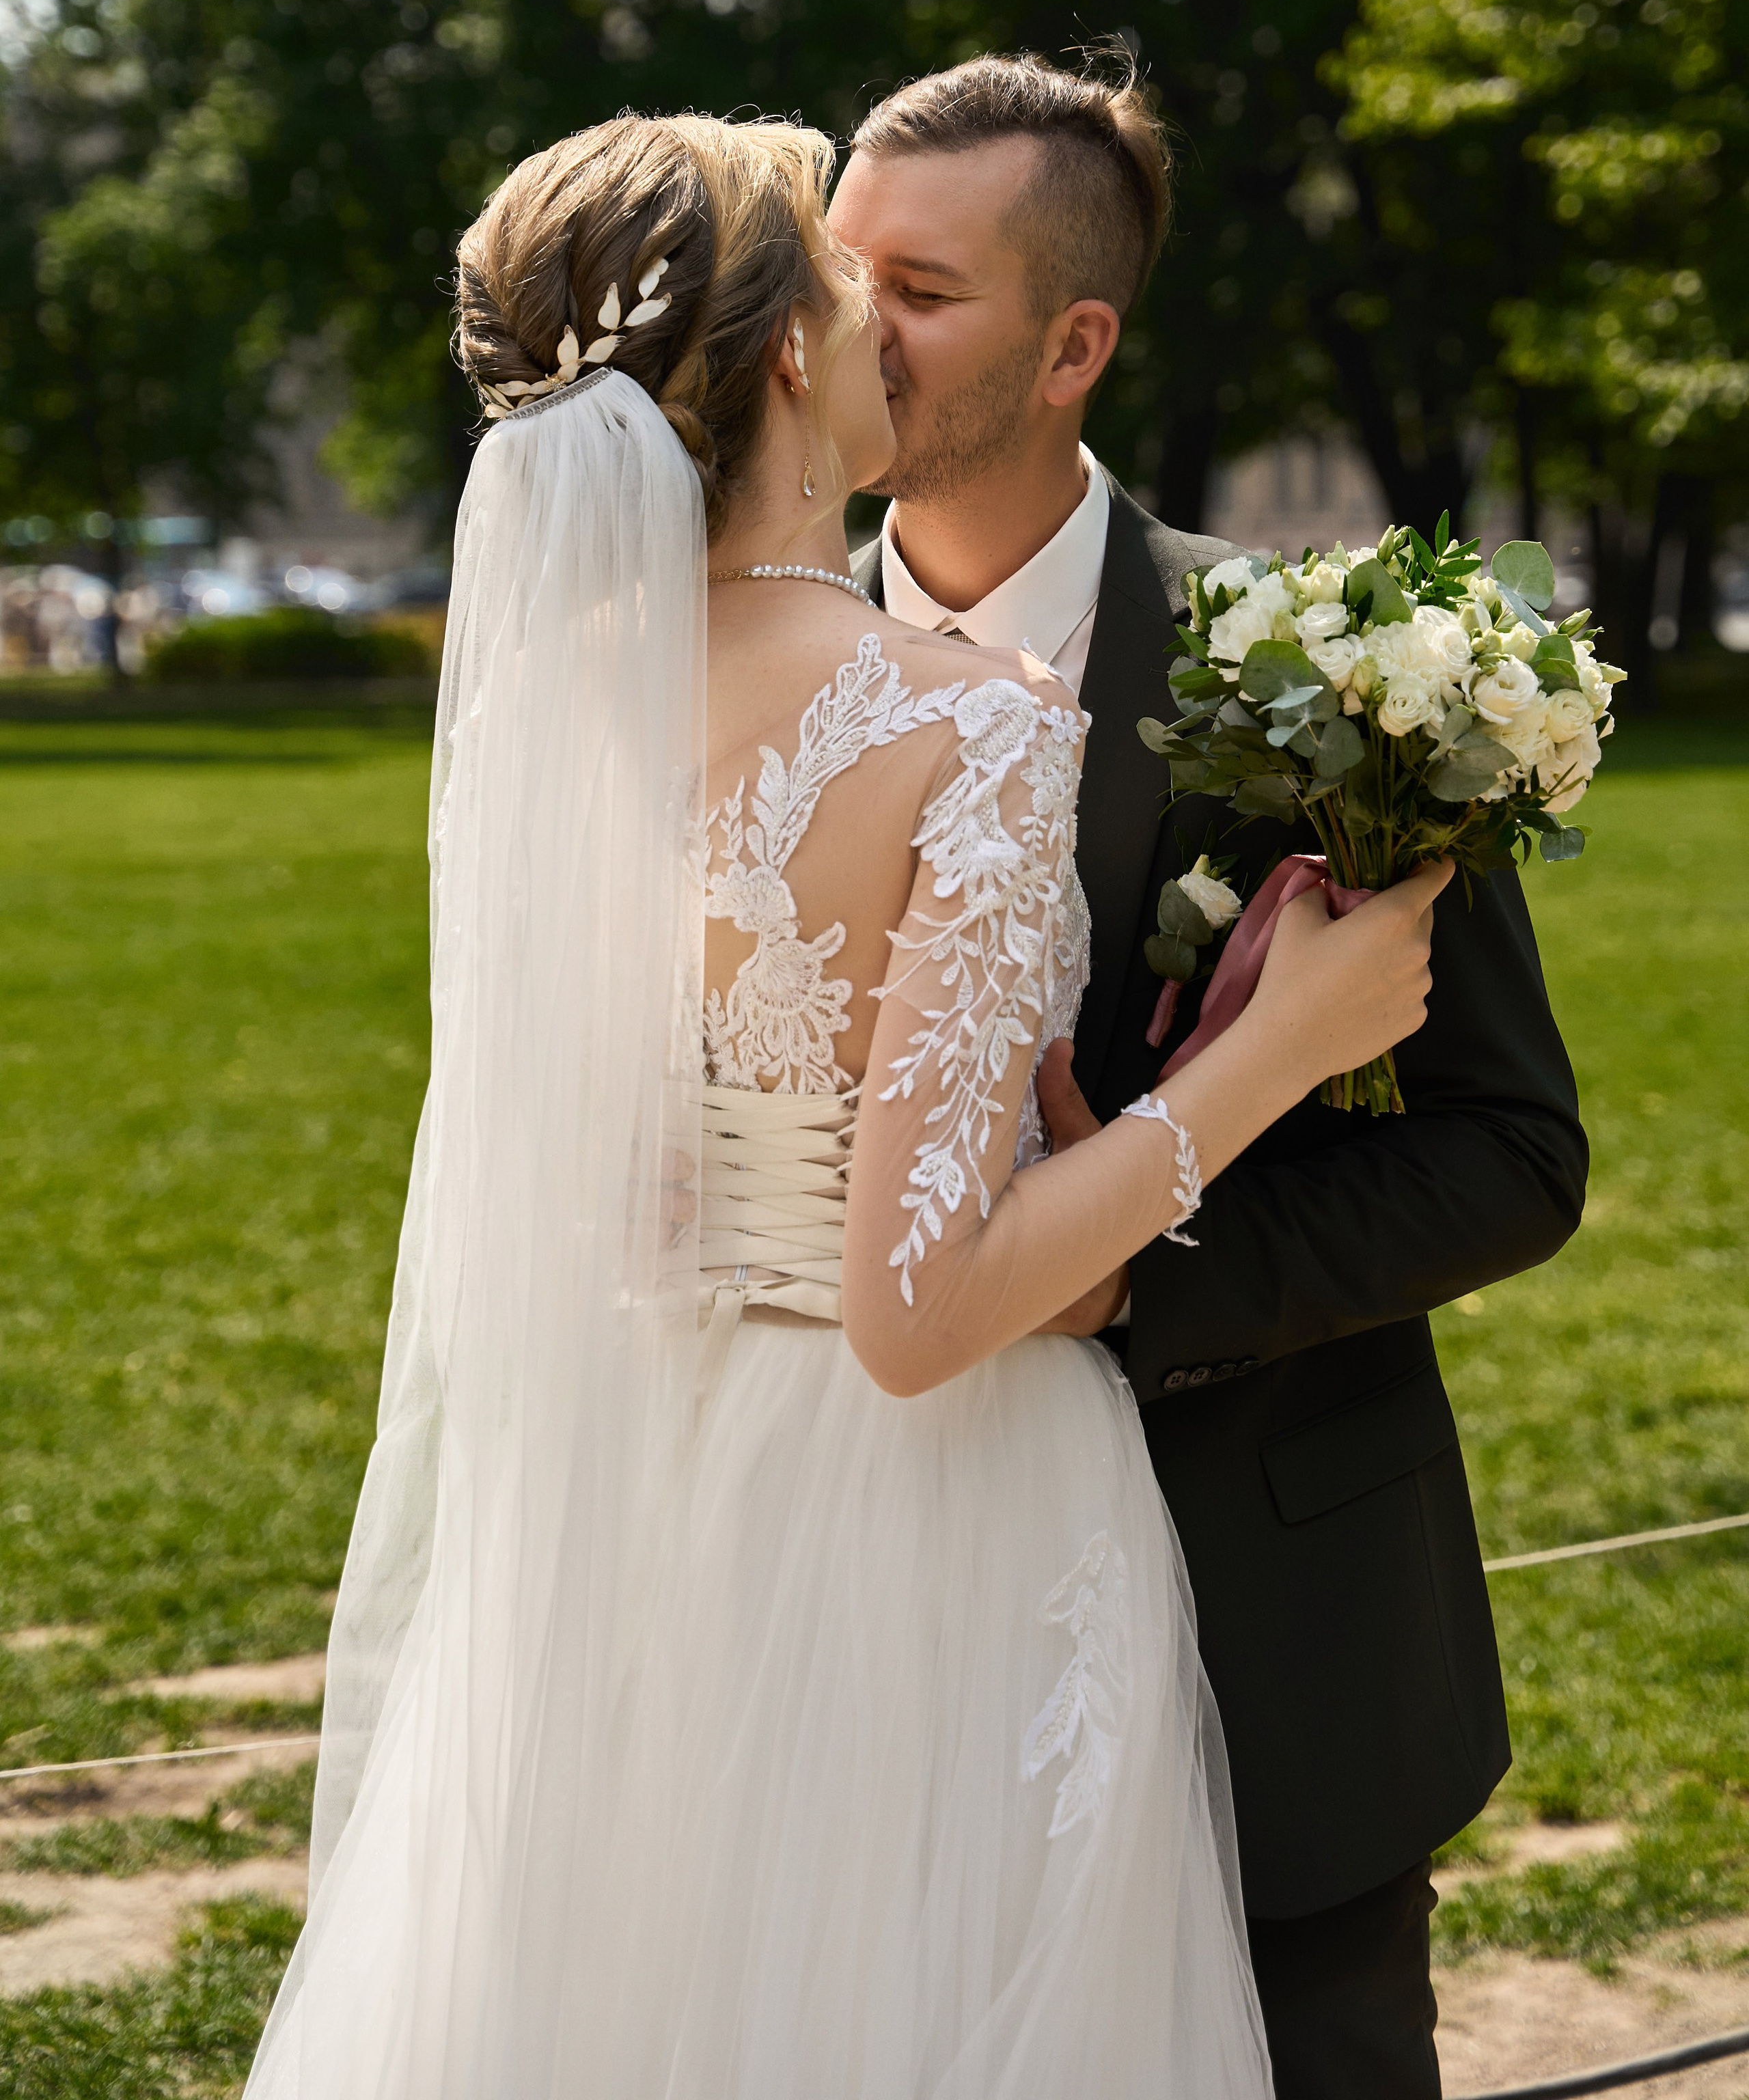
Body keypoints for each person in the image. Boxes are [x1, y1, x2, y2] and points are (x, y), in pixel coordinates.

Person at [245, 109, 1448, 2100]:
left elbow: (618, 1193)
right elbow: (918, 1316)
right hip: (938, 1537)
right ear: (789, 361)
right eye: (839, 281)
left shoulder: (565, 708)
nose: (878, 327)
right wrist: (1276, 1053)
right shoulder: (960, 722)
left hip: (661, 1516)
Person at [830, 51, 1591, 2100]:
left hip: (1277, 1637)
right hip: (863, 1636)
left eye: (919, 288)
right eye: (836, 271)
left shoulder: (1323, 675)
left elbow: (1512, 1155)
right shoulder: (764, 681)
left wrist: (1135, 1273)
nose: (844, 326)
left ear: (1076, 343)